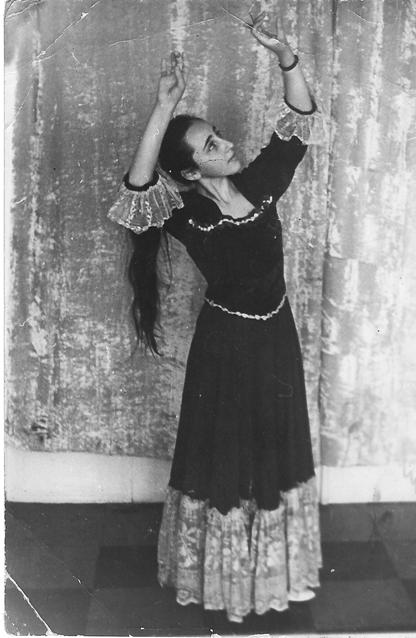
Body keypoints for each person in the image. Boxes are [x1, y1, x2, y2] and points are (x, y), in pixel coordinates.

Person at [108, 10, 324, 624]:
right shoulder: (188, 216)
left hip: (276, 337)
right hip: (225, 347)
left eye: (219, 136)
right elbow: (137, 188)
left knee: (274, 446)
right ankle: (227, 585)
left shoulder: (261, 183)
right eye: (210, 146)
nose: (226, 144)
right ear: (189, 172)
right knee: (226, 454)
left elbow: (300, 119)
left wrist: (284, 56)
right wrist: (163, 107)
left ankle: (270, 577)